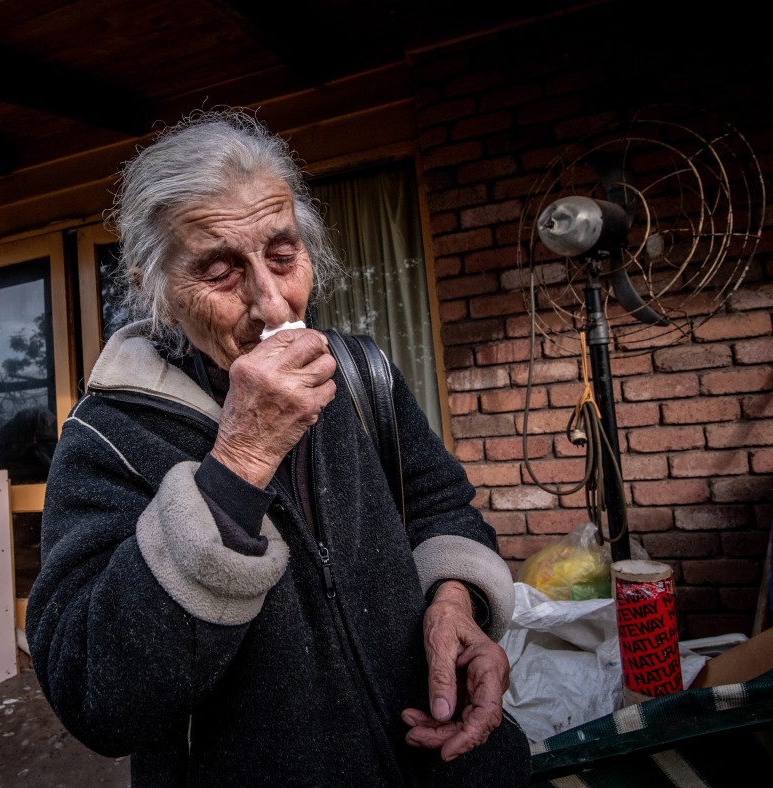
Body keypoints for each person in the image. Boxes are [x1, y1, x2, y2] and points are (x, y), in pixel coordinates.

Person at [27, 110, 530, 786]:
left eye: (283, 256)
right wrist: (240, 458)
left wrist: (455, 599)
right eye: (221, 270)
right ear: (157, 291)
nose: (272, 304)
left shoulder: (359, 373)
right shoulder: (106, 438)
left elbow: (441, 505)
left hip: (451, 764)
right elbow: (95, 694)